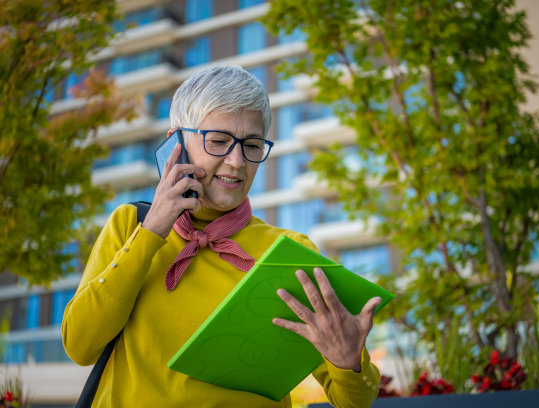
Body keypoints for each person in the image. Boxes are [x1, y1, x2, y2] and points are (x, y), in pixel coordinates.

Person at [62, 65, 382, 407]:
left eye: (253, 145)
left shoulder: (288, 251)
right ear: (177, 143)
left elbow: (352, 402)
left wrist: (350, 362)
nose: (236, 162)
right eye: (218, 141)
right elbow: (80, 346)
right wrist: (152, 231)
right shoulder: (131, 225)